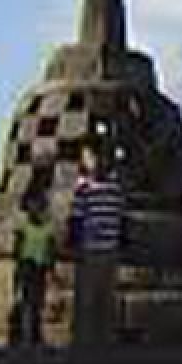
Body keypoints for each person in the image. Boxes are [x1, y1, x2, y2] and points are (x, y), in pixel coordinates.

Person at [69, 135, 126, 348]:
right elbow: (76, 219)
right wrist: (75, 246)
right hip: (90, 250)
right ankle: (84, 343)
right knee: (87, 300)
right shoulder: (83, 188)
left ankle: (105, 343)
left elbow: (120, 216)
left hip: (110, 250)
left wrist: (122, 241)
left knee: (107, 299)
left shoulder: (115, 186)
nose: (94, 162)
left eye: (98, 156)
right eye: (88, 157)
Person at [9, 189, 57, 346]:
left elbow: (51, 248)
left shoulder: (48, 227)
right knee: (25, 300)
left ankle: (35, 333)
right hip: (26, 264)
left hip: (40, 266)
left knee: (38, 301)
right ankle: (21, 333)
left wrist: (51, 268)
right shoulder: (23, 225)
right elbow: (17, 247)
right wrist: (17, 267)